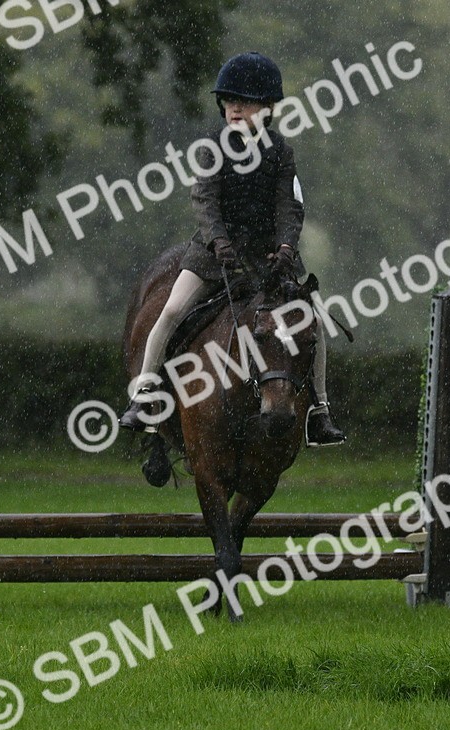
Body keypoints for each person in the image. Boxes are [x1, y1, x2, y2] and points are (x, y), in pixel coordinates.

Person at [118, 51, 346, 447]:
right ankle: (144, 395)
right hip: (212, 254)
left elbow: (288, 206)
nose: (234, 108)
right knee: (171, 311)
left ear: (268, 108)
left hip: (270, 259)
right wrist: (219, 241)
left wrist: (287, 246)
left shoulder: (280, 151)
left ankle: (319, 411)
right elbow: (204, 200)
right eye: (229, 100)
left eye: (245, 101)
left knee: (313, 322)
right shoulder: (212, 147)